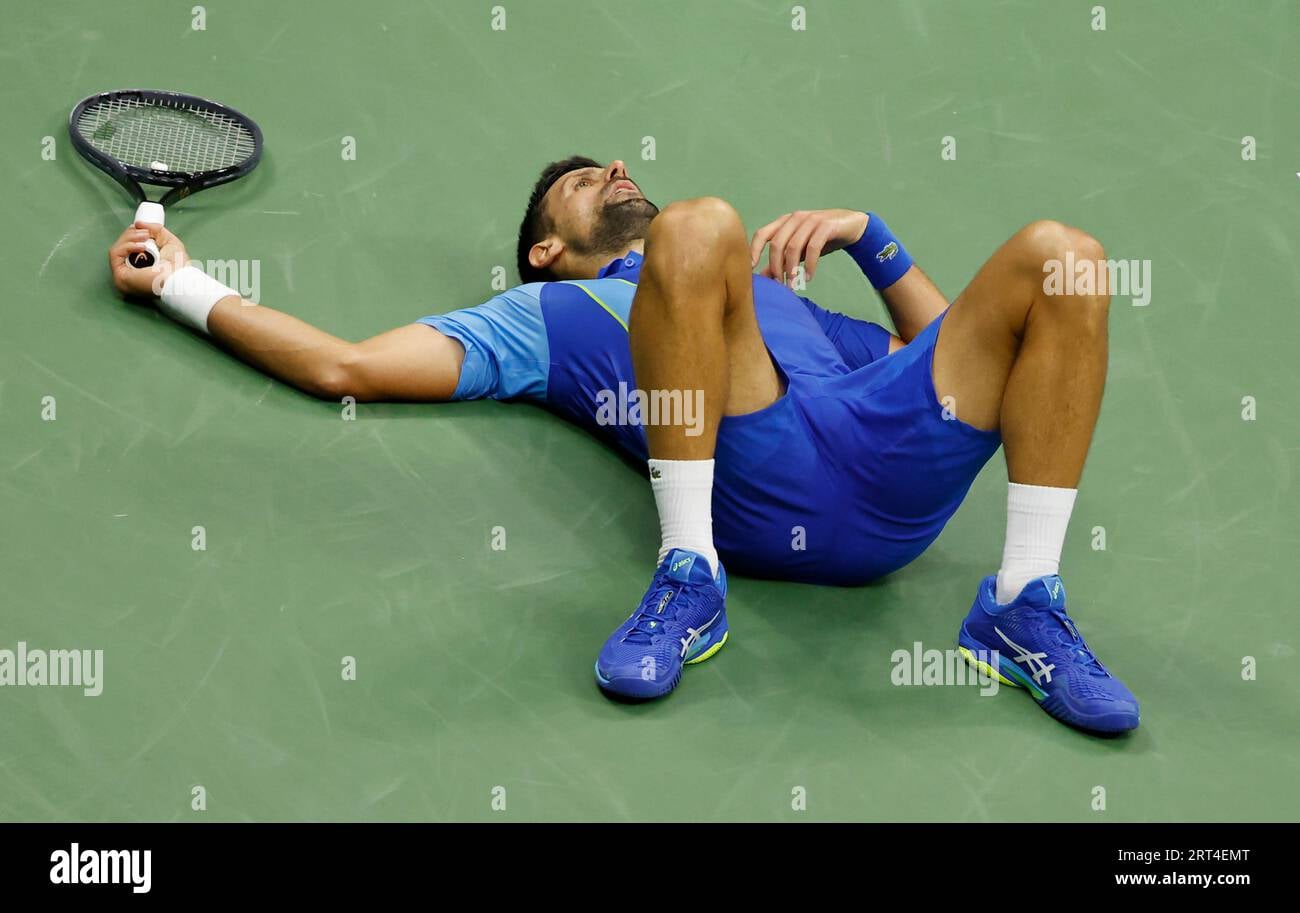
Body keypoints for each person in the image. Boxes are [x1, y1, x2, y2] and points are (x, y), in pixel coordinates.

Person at [106, 155, 1139, 732]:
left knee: (1065, 260)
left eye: (613, 165)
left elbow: (970, 360)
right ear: (544, 250)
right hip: (758, 473)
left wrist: (871, 235)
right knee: (700, 223)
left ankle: (1018, 608)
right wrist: (179, 285)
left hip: (883, 462)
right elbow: (346, 365)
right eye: (577, 179)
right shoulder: (544, 316)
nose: (612, 167)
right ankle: (688, 572)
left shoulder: (768, 299)